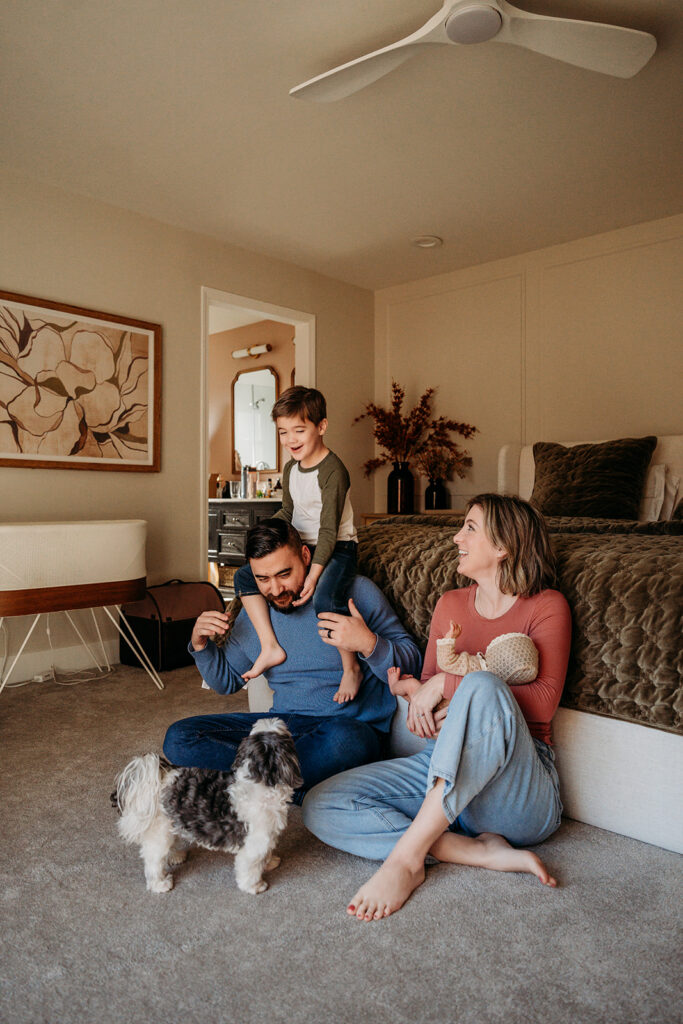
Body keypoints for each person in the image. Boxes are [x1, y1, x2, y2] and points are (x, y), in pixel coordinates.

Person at [302, 493, 572, 921]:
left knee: (482, 685)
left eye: (469, 528)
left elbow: (540, 706)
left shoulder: (546, 605)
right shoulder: (450, 604)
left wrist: (448, 685)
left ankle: (406, 859)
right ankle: (472, 850)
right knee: (322, 804)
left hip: (517, 793)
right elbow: (428, 689)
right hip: (441, 769)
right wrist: (414, 694)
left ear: (503, 546)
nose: (454, 536)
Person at [163, 518, 422, 804]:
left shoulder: (354, 591)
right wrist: (201, 644)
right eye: (262, 579)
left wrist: (368, 643)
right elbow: (226, 682)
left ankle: (255, 785)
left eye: (284, 574)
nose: (275, 590)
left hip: (343, 725)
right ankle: (291, 787)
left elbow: (412, 661)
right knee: (180, 737)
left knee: (347, 741)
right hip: (281, 729)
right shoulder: (255, 613)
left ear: (305, 557)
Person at [235, 386, 362, 705]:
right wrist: (261, 535)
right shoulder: (291, 468)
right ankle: (269, 646)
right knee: (243, 578)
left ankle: (350, 667)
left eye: (299, 430)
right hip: (302, 543)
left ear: (321, 427)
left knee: (324, 600)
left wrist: (314, 575)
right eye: (283, 432)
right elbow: (288, 512)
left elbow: (329, 530)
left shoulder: (333, 471)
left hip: (337, 547)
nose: (291, 439)